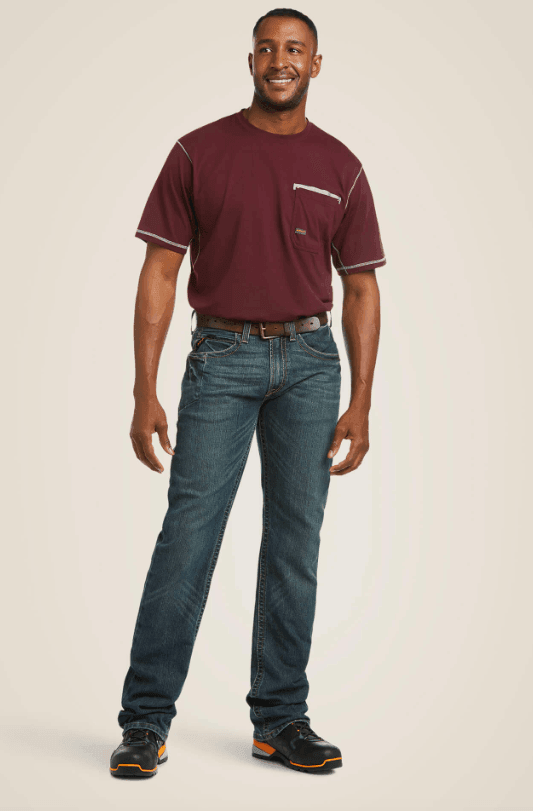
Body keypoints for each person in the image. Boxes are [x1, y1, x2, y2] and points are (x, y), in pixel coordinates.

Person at [109, 7, 386, 779]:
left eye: (294, 49)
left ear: (315, 64)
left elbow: (361, 287)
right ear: (251, 60)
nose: (280, 60)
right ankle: (144, 721)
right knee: (188, 539)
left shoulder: (341, 164)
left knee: (295, 546)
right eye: (267, 48)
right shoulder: (198, 152)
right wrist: (143, 388)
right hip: (221, 357)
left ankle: (280, 719)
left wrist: (362, 400)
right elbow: (160, 271)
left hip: (311, 362)